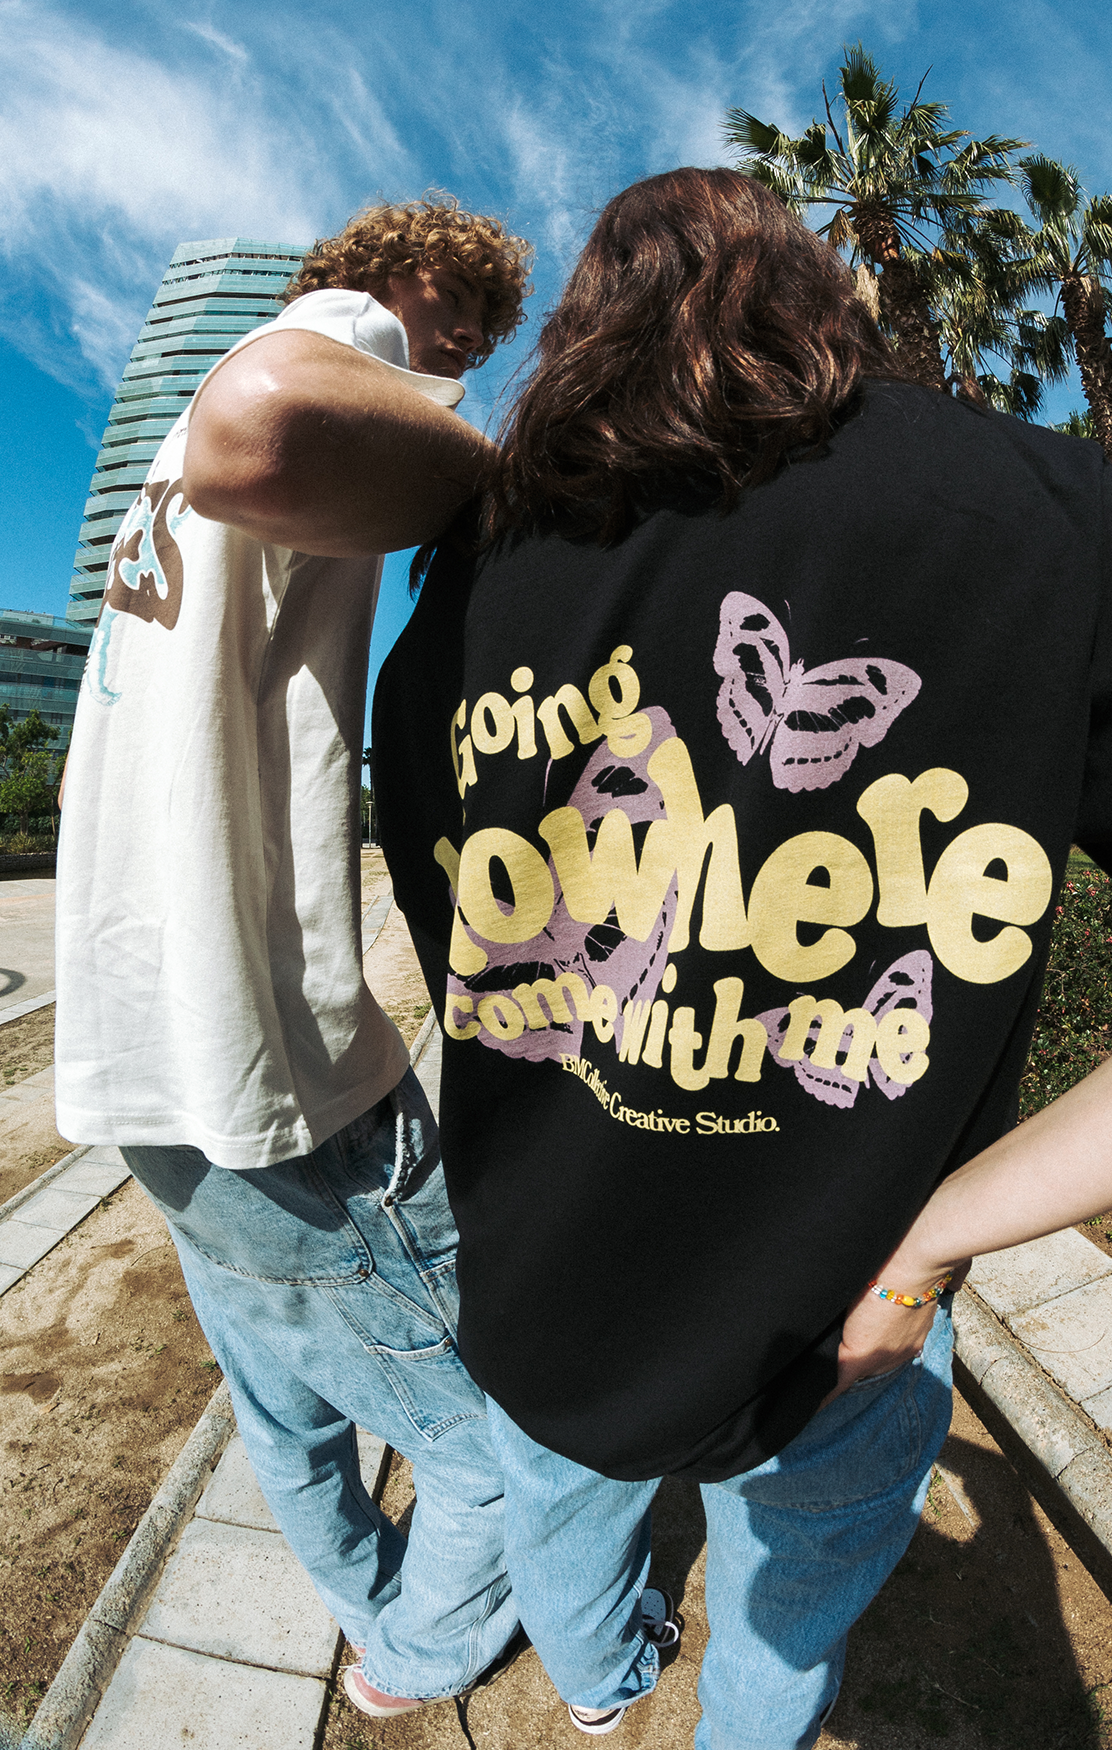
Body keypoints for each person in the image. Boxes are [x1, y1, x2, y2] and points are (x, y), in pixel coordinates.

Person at [372, 167, 1112, 1747]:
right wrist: (933, 1237)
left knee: (562, 1511)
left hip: (544, 1295)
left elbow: (477, 961)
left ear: (586, 318)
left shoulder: (462, 581)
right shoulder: (1024, 504)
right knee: (795, 1596)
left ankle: (593, 1685)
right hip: (842, 1315)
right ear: (813, 291)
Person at [54, 196, 535, 1717]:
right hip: (269, 1052)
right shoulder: (337, 339)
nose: (461, 355)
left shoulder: (165, 472)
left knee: (287, 1409)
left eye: (479, 341)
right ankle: (419, 1655)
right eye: (461, 317)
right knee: (502, 1430)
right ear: (395, 276)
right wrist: (513, 471)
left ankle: (369, 1609)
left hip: (149, 1045)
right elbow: (268, 413)